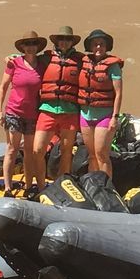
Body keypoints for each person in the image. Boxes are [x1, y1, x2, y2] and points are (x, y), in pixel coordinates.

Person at [0, 30, 48, 197]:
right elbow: (3, 87)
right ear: (22, 47)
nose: (30, 47)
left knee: (30, 152)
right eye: (27, 44)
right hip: (14, 112)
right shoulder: (14, 63)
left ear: (38, 46)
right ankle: (7, 188)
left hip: (33, 114)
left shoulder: (42, 64)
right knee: (12, 149)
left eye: (33, 44)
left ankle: (29, 186)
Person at [35, 25, 85, 182]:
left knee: (66, 151)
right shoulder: (45, 58)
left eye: (68, 39)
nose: (64, 42)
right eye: (61, 39)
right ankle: (40, 185)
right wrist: (12, 57)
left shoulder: (80, 60)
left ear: (72, 42)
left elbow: (96, 65)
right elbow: (27, 60)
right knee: (37, 150)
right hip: (47, 110)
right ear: (56, 41)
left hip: (70, 112)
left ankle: (63, 183)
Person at [77, 29, 125, 179]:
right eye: (95, 44)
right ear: (90, 46)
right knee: (91, 155)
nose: (98, 47)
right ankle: (93, 185)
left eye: (102, 44)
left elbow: (118, 93)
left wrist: (115, 117)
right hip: (85, 115)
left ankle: (106, 187)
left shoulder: (113, 66)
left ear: (106, 46)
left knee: (101, 154)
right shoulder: (83, 61)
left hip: (105, 116)